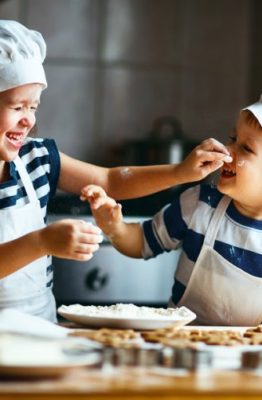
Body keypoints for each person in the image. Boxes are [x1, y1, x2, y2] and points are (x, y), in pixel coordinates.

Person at [0, 19, 232, 322]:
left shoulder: (38, 158)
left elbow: (110, 179)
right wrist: (40, 243)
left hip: (40, 331)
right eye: (18, 107)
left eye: (34, 107)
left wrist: (180, 172)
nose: (28, 120)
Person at [83, 95, 262, 327]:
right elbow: (141, 243)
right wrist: (115, 227)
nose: (228, 151)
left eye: (245, 148)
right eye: (233, 138)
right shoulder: (199, 204)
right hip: (182, 349)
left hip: (245, 357)